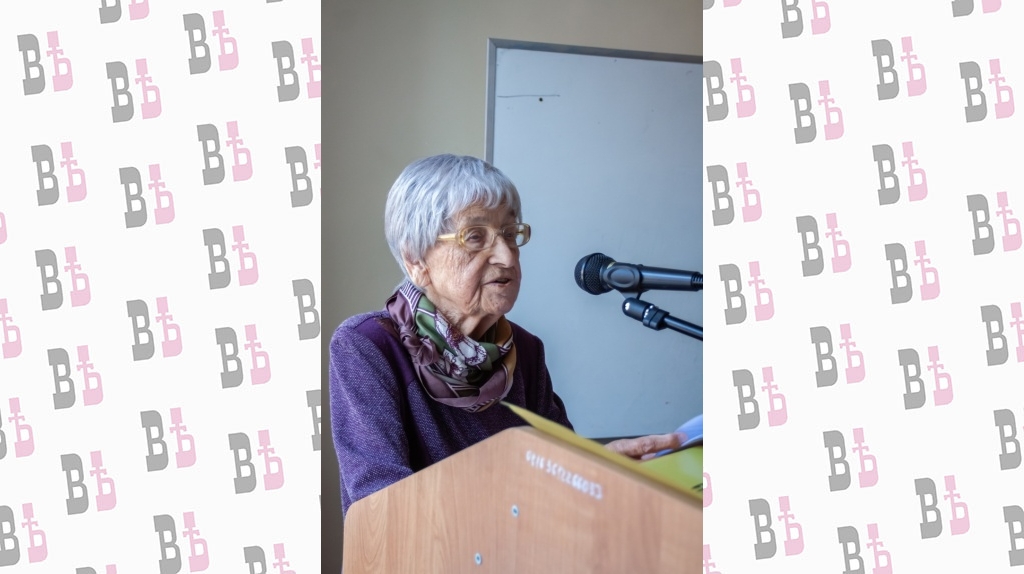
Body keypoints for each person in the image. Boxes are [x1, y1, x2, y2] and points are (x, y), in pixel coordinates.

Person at [329, 154, 683, 517]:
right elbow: (381, 507)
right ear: (416, 260)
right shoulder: (368, 346)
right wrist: (518, 499)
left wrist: (599, 471)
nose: (507, 257)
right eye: (475, 236)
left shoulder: (525, 351)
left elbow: (559, 477)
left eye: (511, 235)